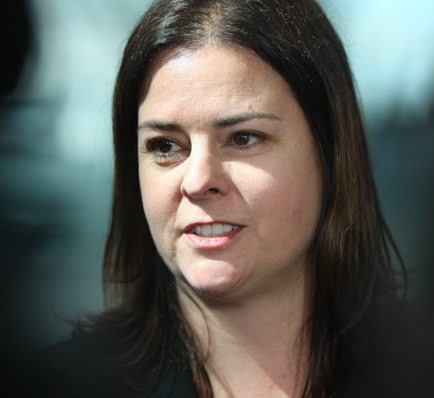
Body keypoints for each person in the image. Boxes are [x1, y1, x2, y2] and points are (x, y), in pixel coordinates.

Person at [27, 0, 413, 397]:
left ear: (331, 151)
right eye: (165, 145)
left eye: (243, 138)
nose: (197, 181)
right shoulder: (54, 385)